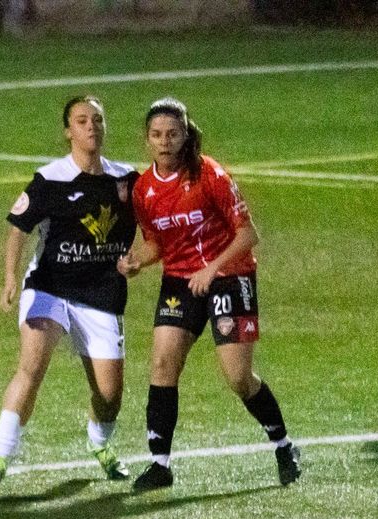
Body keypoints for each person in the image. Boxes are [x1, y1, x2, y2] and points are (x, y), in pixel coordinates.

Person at [118, 97, 301, 490]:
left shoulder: (210, 174)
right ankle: (160, 465)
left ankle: (284, 445)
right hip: (180, 280)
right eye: (157, 135)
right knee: (163, 364)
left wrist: (212, 268)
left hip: (230, 275)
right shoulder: (143, 189)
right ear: (146, 139)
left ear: (186, 136)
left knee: (238, 377)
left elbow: (248, 234)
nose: (164, 142)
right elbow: (156, 244)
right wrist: (136, 262)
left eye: (172, 134)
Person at [0, 95, 138, 496]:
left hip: (100, 294)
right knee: (31, 366)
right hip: (49, 287)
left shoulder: (127, 181)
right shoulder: (50, 179)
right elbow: (18, 228)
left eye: (97, 119)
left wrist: (140, 260)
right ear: (68, 132)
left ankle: (99, 442)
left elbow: (153, 228)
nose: (91, 126)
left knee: (109, 396)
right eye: (81, 120)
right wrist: (10, 277)